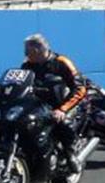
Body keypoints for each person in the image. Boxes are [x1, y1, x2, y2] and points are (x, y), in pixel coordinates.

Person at [21, 33, 86, 173]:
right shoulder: (27, 65)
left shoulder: (61, 62)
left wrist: (63, 109)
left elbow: (80, 88)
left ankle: (70, 154)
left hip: (64, 104)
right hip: (41, 106)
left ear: (38, 50)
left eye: (27, 51)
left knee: (63, 123)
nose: (25, 54)